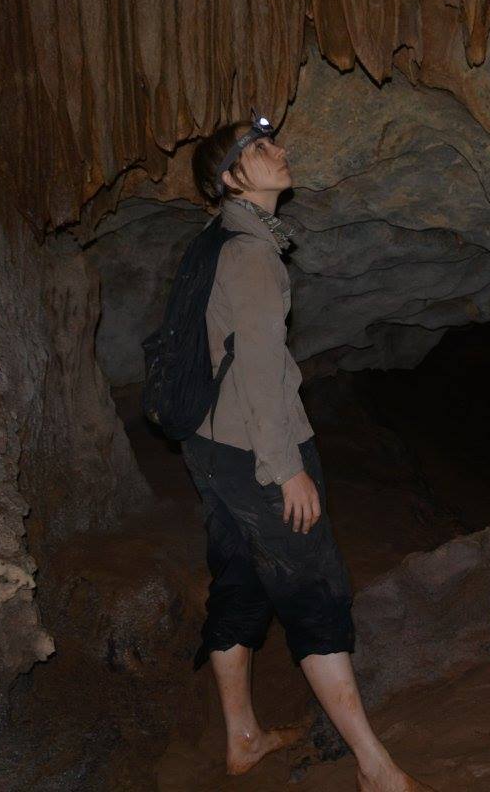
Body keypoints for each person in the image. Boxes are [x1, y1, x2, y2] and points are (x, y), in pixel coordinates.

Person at [182, 119, 433, 791]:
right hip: (256, 450)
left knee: (239, 580)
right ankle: (375, 768)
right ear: (231, 178)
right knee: (314, 590)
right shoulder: (252, 256)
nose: (279, 153)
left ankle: (242, 737)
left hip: (210, 446)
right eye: (260, 150)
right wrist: (285, 468)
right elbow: (261, 369)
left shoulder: (218, 242)